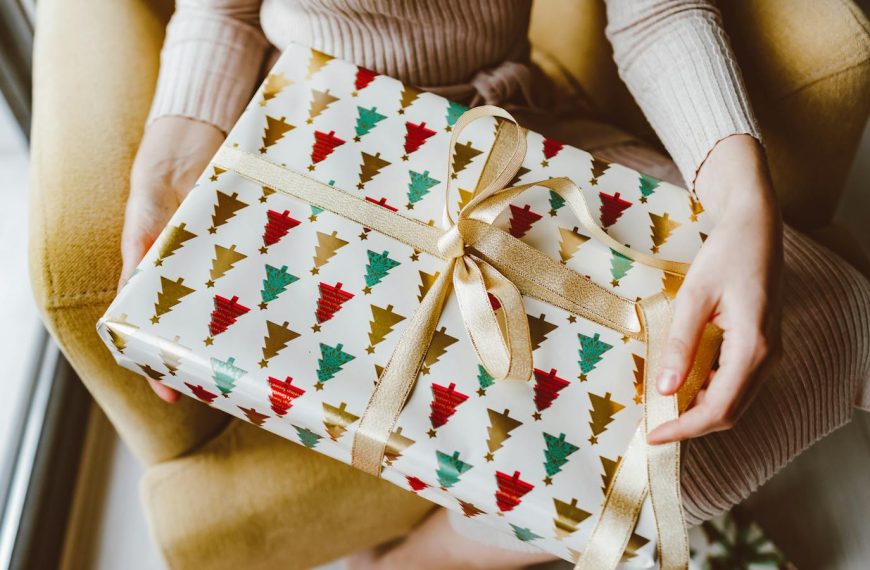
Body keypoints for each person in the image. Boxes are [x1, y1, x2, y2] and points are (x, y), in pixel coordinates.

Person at [119, 1, 870, 568]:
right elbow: (222, 9)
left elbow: (656, 14)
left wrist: (741, 202)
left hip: (518, 133)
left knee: (838, 319)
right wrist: (169, 160)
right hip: (322, 167)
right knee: (641, 470)